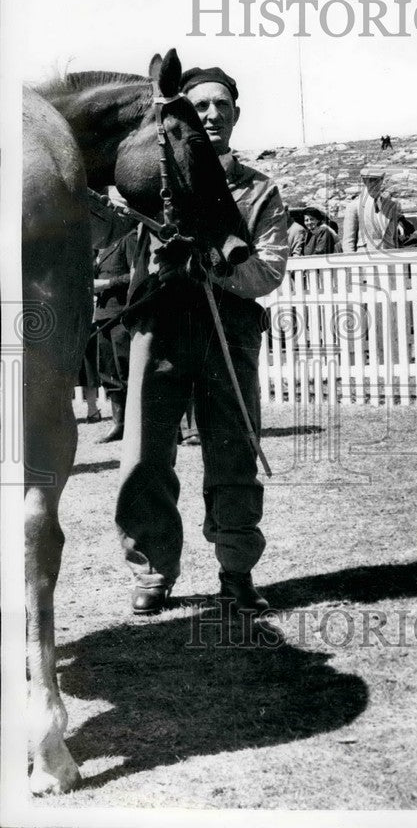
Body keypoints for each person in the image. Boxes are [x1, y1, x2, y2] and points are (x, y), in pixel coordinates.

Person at [114, 65, 289, 616]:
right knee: (145, 457)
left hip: (227, 334)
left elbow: (268, 270)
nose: (212, 115)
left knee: (233, 454)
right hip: (159, 330)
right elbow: (105, 243)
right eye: (200, 107)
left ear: (237, 114)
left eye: (222, 105)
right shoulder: (148, 180)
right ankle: (152, 571)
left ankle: (237, 570)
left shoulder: (259, 190)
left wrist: (210, 265)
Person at [93, 225, 138, 443]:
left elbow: (136, 275)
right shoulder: (100, 246)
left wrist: (106, 284)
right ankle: (118, 424)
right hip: (102, 316)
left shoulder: (128, 238)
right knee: (108, 371)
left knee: (126, 369)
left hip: (121, 314)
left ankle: (136, 425)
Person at [342, 167, 403, 252]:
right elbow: (348, 242)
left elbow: (394, 238)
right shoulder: (354, 206)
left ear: (382, 180)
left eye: (377, 180)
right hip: (365, 256)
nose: (374, 184)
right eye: (370, 180)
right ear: (364, 181)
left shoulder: (391, 206)